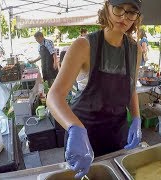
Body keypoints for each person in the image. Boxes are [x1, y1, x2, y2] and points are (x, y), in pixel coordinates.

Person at [46, 0, 142, 178]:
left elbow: (132, 89)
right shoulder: (84, 45)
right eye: (119, 8)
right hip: (83, 139)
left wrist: (136, 118)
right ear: (107, 7)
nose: (123, 17)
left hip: (117, 137)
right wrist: (74, 128)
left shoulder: (135, 50)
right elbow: (54, 96)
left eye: (131, 12)